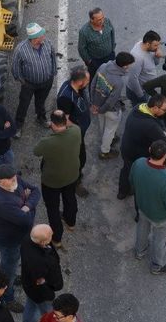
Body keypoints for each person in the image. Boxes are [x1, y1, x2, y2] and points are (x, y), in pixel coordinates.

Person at [0, 164, 41, 311]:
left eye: (14, 177)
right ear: (0, 182)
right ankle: (7, 297)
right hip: (9, 242)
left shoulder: (14, 179)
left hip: (17, 237)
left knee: (10, 264)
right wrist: (29, 203)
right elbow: (27, 221)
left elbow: (36, 191)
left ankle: (8, 278)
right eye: (10, 179)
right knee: (9, 269)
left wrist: (26, 206)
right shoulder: (2, 201)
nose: (15, 180)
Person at [33, 111, 82, 247]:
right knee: (70, 198)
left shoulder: (48, 141)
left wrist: (52, 131)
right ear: (65, 121)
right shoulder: (76, 131)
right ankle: (71, 222)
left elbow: (36, 151)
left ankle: (57, 239)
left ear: (53, 124)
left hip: (52, 181)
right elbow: (70, 126)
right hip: (72, 175)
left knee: (53, 209)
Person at [130, 139, 166, 275]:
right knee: (160, 240)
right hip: (160, 216)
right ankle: (158, 265)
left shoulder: (138, 163)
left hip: (143, 207)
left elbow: (131, 181)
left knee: (142, 229)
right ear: (165, 156)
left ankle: (140, 252)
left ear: (149, 150)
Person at [117, 94, 166, 199]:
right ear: (155, 108)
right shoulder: (150, 126)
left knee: (126, 170)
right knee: (137, 174)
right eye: (165, 109)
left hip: (126, 147)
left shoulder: (139, 106)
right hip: (137, 154)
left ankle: (122, 192)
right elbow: (164, 142)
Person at [19, 225, 63, 322]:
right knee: (49, 313)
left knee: (31, 305)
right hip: (41, 292)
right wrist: (50, 289)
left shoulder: (28, 240)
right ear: (43, 242)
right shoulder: (40, 261)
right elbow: (50, 280)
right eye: (50, 236)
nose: (52, 235)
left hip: (30, 286)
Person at [12, 22, 57, 130]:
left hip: (46, 82)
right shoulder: (20, 49)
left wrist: (52, 73)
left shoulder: (48, 43)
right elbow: (15, 67)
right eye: (41, 35)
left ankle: (41, 118)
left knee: (41, 102)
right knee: (24, 104)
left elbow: (53, 58)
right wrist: (23, 81)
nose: (44, 36)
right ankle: (18, 124)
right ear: (35, 38)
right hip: (29, 84)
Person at [55, 67, 91, 197]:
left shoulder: (77, 87)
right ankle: (75, 181)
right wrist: (77, 131)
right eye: (87, 80)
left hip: (80, 129)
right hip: (75, 135)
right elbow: (65, 120)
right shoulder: (65, 97)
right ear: (80, 81)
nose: (88, 82)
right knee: (79, 158)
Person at [91, 52, 133, 159]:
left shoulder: (103, 66)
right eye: (129, 65)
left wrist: (94, 104)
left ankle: (108, 139)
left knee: (103, 126)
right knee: (110, 130)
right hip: (110, 110)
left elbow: (93, 84)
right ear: (124, 66)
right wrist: (101, 110)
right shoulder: (118, 81)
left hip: (97, 104)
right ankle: (105, 151)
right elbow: (111, 101)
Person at [125, 31, 166, 105]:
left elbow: (155, 63)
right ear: (148, 44)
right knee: (139, 109)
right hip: (138, 92)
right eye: (156, 45)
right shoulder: (137, 58)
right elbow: (132, 79)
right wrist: (141, 96)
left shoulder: (146, 46)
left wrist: (157, 56)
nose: (158, 48)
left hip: (145, 88)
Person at [76, 7, 115, 78]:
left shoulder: (107, 21)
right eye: (99, 20)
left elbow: (112, 34)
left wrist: (112, 48)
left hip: (109, 56)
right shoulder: (84, 32)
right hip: (96, 61)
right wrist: (89, 61)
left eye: (103, 18)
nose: (102, 21)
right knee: (95, 78)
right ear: (91, 20)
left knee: (110, 76)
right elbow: (81, 48)